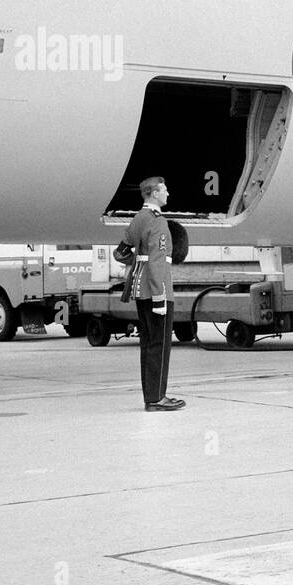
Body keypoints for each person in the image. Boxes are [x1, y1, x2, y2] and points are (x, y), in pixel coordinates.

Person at [119, 176, 184, 411]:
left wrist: (138, 261)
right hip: (157, 289)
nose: (168, 194)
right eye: (164, 190)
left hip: (140, 286)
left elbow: (120, 252)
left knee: (148, 345)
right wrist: (159, 296)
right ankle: (157, 398)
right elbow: (157, 261)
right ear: (155, 193)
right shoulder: (158, 222)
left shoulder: (139, 218)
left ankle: (152, 396)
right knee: (160, 344)